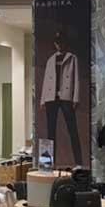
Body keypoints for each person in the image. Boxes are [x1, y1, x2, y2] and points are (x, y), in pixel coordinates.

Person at [39, 31, 82, 165]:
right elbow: (46, 80)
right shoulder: (51, 59)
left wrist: (75, 98)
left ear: (65, 43)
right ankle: (48, 164)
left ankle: (79, 163)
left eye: (61, 42)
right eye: (57, 43)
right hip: (51, 97)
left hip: (66, 96)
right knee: (50, 132)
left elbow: (76, 79)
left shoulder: (72, 58)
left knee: (72, 130)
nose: (59, 45)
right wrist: (43, 100)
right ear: (55, 44)